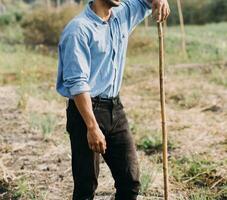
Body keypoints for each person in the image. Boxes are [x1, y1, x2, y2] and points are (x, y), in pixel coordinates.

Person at [56, 0, 170, 199]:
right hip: (86, 112)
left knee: (130, 182)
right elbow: (77, 82)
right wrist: (92, 127)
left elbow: (144, 2)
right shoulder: (79, 29)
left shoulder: (122, 15)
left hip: (115, 110)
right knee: (86, 186)